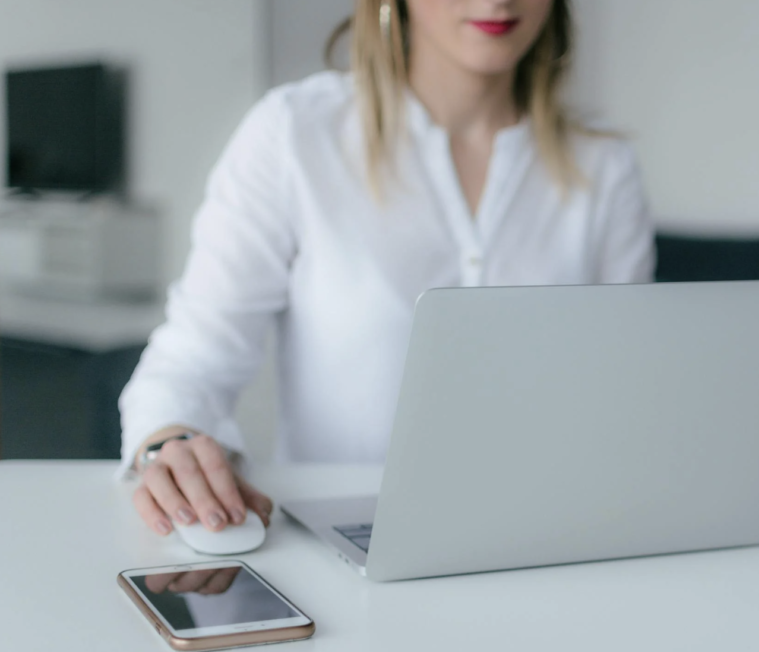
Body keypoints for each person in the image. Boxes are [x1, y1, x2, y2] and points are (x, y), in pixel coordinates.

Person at [118, 0, 654, 538]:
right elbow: (193, 359)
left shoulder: (604, 166)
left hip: (548, 536)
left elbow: (627, 392)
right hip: (344, 538)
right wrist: (169, 444)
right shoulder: (295, 135)